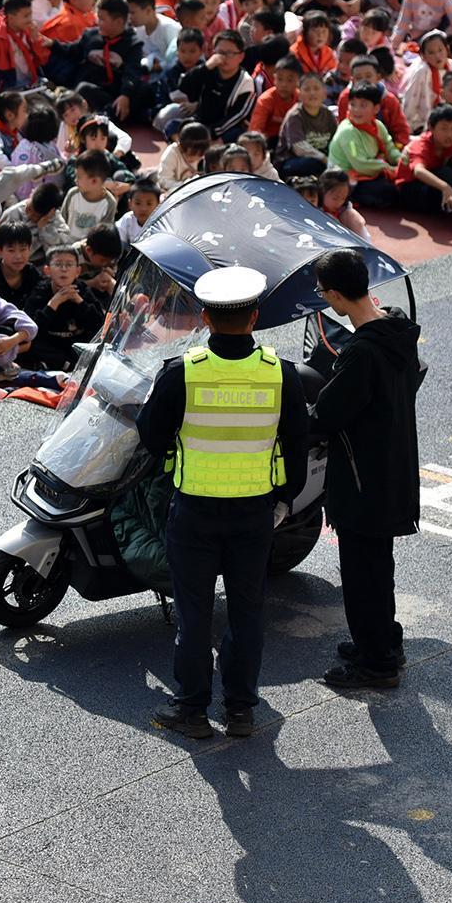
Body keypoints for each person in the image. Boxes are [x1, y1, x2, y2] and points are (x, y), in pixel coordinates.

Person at [134, 265, 307, 739]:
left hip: (194, 511)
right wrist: (284, 500)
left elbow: (150, 435)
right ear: (254, 318)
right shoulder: (281, 375)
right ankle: (240, 709)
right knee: (247, 612)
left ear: (206, 318)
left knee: (193, 613)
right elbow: (297, 444)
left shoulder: (181, 373)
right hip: (255, 513)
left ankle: (191, 709)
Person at [310, 248, 425, 689]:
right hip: (393, 468)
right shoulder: (396, 329)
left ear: (337, 295)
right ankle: (383, 641)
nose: (324, 300)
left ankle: (375, 663)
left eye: (323, 293)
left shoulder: (361, 353)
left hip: (362, 480)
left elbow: (328, 413)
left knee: (361, 574)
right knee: (378, 566)